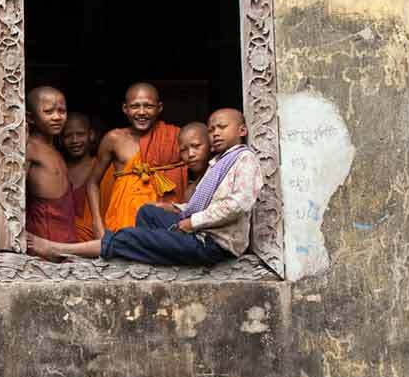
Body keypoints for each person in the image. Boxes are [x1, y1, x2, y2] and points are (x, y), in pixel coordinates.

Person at [29, 108, 261, 267]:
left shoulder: (244, 160)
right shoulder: (220, 161)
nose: (215, 134)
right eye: (211, 130)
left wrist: (192, 222)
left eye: (222, 127)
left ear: (242, 130)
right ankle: (154, 249)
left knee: (128, 237)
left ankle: (57, 249)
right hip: (200, 232)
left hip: (212, 243)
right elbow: (209, 203)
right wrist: (179, 209)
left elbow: (237, 204)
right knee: (148, 212)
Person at [86, 83, 187, 235]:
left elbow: (198, 173)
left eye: (148, 106)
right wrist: (97, 222)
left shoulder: (175, 137)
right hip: (122, 217)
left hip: (160, 218)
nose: (141, 112)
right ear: (125, 108)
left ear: (159, 108)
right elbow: (92, 182)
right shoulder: (114, 139)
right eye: (135, 106)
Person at [24, 86, 76, 243]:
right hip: (42, 240)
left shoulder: (56, 150)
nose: (57, 117)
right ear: (30, 117)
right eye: (48, 112)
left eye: (62, 111)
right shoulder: (29, 148)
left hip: (65, 238)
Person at [61, 112, 103, 241]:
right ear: (60, 139)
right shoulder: (57, 168)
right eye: (68, 135)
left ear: (91, 135)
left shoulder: (104, 169)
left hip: (96, 243)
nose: (74, 140)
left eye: (80, 134)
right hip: (59, 243)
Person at [173, 121, 211, 205]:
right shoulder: (190, 191)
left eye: (196, 146)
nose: (190, 154)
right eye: (183, 150)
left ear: (211, 144)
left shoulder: (223, 175)